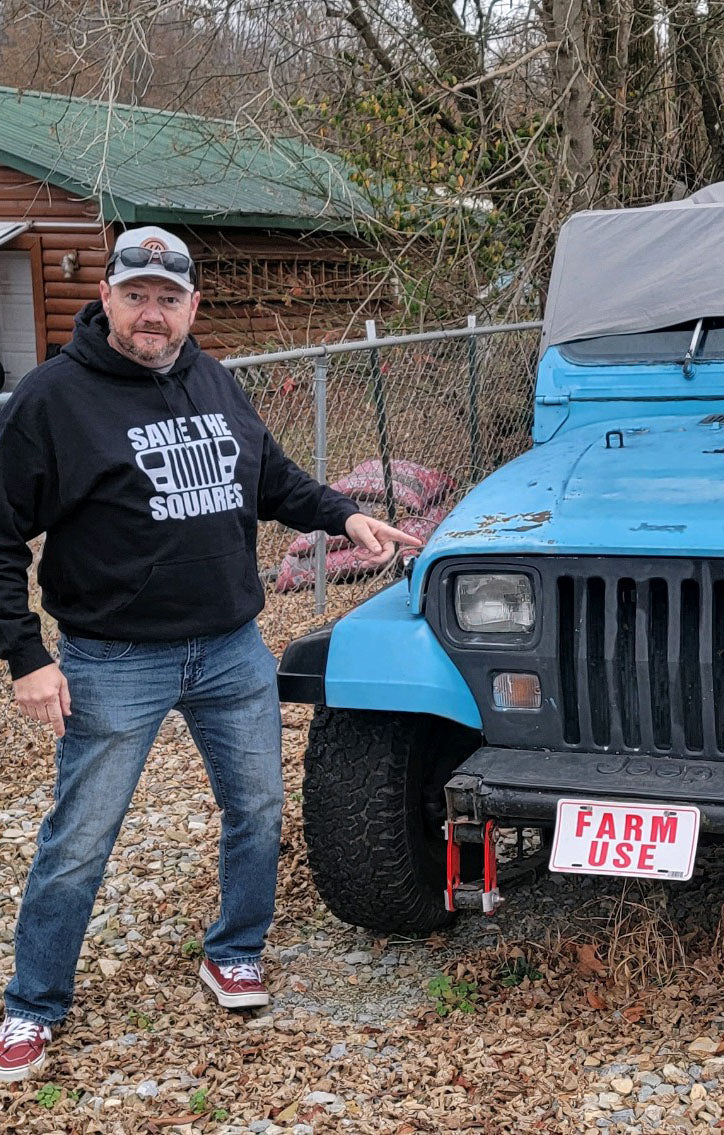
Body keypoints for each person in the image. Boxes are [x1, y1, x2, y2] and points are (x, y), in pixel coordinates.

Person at [0, 226, 420, 1081]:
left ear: (193, 305)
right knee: (81, 837)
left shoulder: (213, 378)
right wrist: (25, 656)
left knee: (257, 811)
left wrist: (343, 515)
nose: (152, 313)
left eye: (169, 297)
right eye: (136, 294)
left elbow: (271, 480)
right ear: (108, 297)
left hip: (231, 648)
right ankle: (32, 1004)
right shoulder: (50, 400)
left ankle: (234, 950)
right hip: (115, 660)